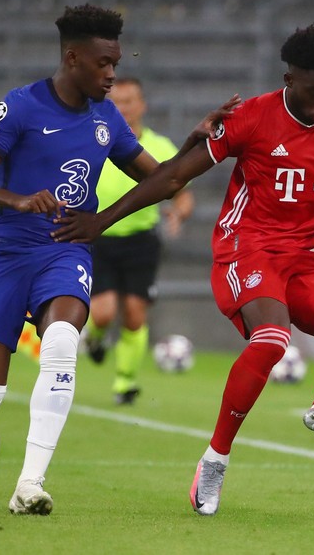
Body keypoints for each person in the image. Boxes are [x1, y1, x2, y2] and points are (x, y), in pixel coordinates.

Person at [52, 24, 314, 515]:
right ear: (289, 78)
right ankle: (215, 459)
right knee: (272, 338)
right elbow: (175, 175)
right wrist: (101, 221)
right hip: (246, 248)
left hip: (302, 257)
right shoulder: (253, 116)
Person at [0, 4, 237, 515]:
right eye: (104, 64)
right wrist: (15, 199)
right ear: (73, 57)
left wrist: (197, 143)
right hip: (5, 252)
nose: (112, 75)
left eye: (116, 64)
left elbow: (162, 177)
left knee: (63, 341)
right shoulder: (20, 106)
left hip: (66, 248)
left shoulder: (107, 118)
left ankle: (30, 484)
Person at [84, 77, 195, 405]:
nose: (123, 108)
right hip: (99, 236)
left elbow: (183, 193)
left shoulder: (160, 148)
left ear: (142, 105)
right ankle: (95, 339)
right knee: (102, 313)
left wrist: (178, 213)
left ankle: (125, 383)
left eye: (129, 101)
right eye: (116, 101)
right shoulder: (92, 141)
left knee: (134, 313)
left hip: (141, 241)